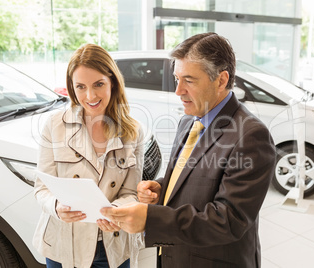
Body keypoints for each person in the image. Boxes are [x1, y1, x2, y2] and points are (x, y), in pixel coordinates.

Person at [100, 32, 276, 267]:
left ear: (221, 80)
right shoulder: (190, 120)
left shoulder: (251, 135)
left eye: (189, 80)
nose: (178, 90)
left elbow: (228, 220)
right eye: (177, 78)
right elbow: (188, 178)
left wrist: (150, 220)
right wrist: (161, 188)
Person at [33, 43, 144, 268]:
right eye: (80, 87)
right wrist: (56, 207)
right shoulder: (55, 125)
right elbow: (41, 188)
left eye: (98, 84)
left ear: (112, 81)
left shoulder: (133, 131)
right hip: (64, 244)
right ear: (72, 88)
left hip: (112, 246)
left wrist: (116, 211)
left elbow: (131, 191)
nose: (90, 95)